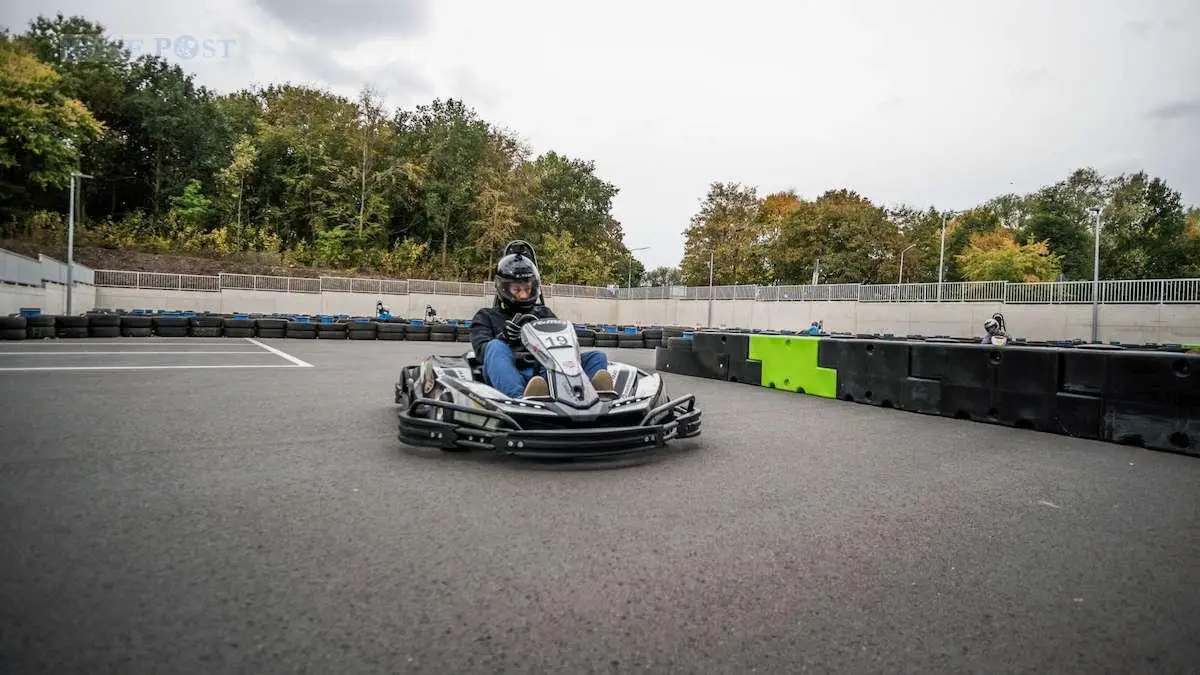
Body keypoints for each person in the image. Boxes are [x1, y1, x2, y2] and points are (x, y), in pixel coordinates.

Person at [470, 250, 614, 398]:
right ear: (504, 288)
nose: (523, 295)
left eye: (527, 289)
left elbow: (564, 344)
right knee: (494, 346)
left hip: (545, 373)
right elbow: (481, 353)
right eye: (517, 290)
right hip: (511, 373)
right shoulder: (486, 316)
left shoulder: (544, 313)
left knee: (597, 357)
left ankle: (592, 396)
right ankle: (520, 398)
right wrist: (504, 337)